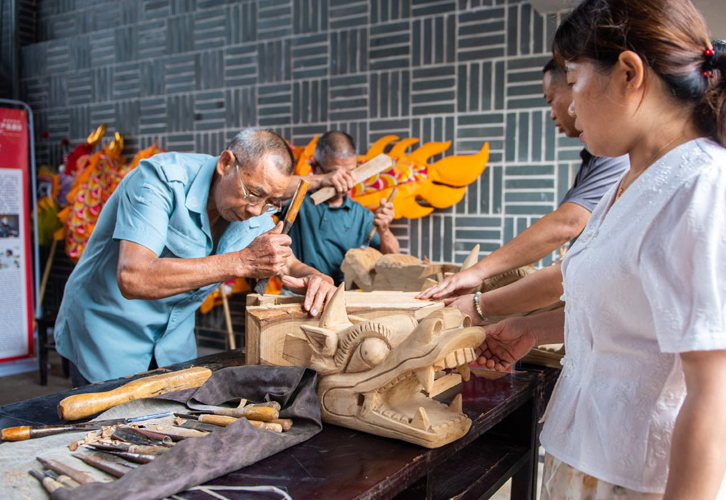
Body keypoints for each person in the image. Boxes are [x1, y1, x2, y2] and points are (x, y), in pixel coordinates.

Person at [475, 1, 726, 500]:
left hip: (646, 484)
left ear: (628, 74)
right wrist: (533, 330)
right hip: (589, 457)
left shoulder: (708, 189)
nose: (569, 104)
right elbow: (630, 307)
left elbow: (717, 391)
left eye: (574, 80)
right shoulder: (634, 180)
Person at [55, 128, 337, 386]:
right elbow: (134, 277)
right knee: (106, 432)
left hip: (172, 343)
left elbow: (285, 262)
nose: (256, 210)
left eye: (270, 202)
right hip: (108, 330)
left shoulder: (256, 210)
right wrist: (240, 262)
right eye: (253, 194)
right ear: (226, 163)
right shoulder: (159, 179)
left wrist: (315, 278)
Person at [418, 60, 628, 321]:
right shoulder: (599, 156)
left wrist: (479, 291)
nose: (560, 111)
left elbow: (567, 225)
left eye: (555, 97)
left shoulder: (619, 156)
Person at [281, 131, 400, 285]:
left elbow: (393, 258)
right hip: (297, 290)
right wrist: (322, 180)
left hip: (342, 294)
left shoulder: (361, 215)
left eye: (350, 172)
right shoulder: (298, 200)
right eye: (334, 172)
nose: (343, 182)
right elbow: (275, 188)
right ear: (315, 166)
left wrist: (384, 230)